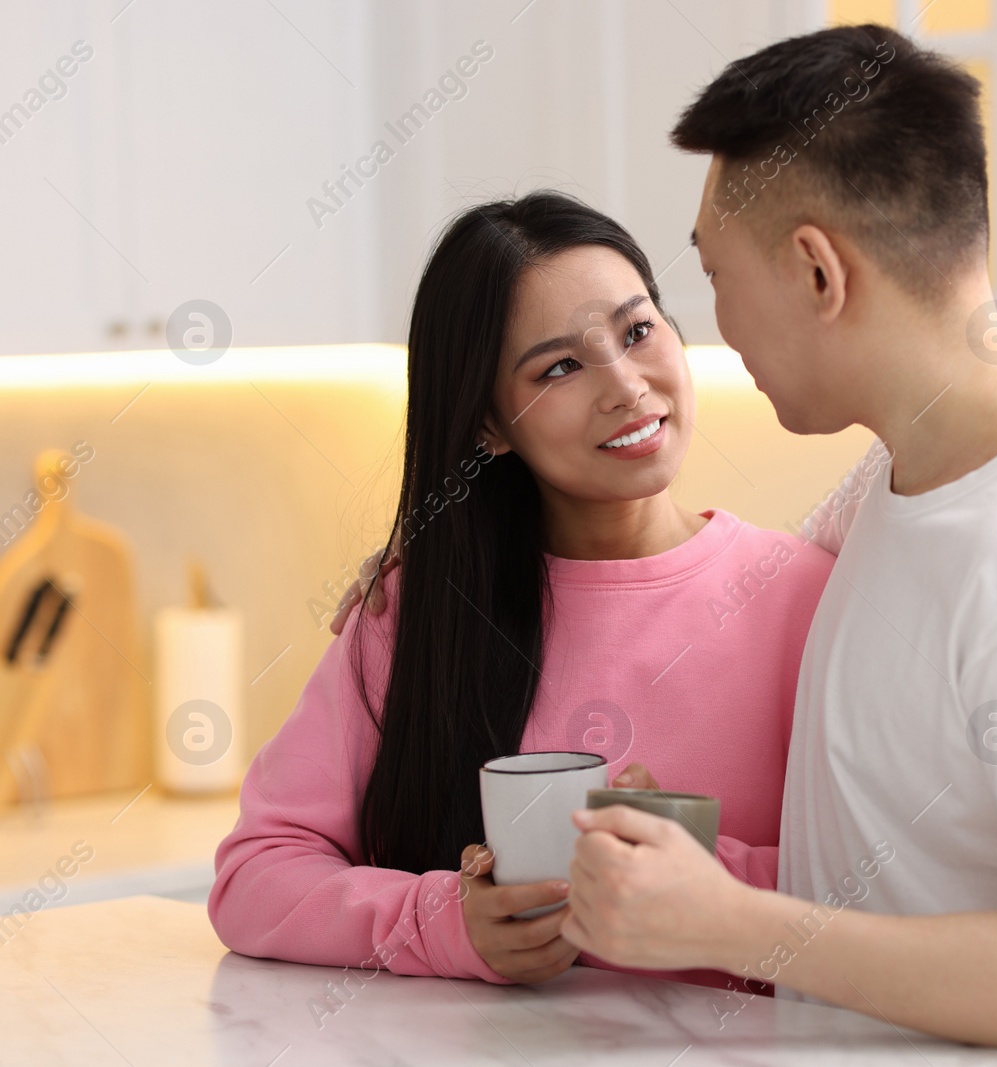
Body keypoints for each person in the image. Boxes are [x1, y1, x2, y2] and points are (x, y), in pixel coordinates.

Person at [554, 25, 997, 1062]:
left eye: (718, 277)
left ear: (819, 273)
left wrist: (731, 922)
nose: (717, 326)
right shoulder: (902, 472)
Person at [207, 191, 834, 995]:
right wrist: (445, 922)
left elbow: (904, 883)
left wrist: (707, 877)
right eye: (561, 367)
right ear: (488, 426)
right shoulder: (419, 612)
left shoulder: (811, 599)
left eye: (638, 329)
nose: (626, 385)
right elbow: (254, 877)